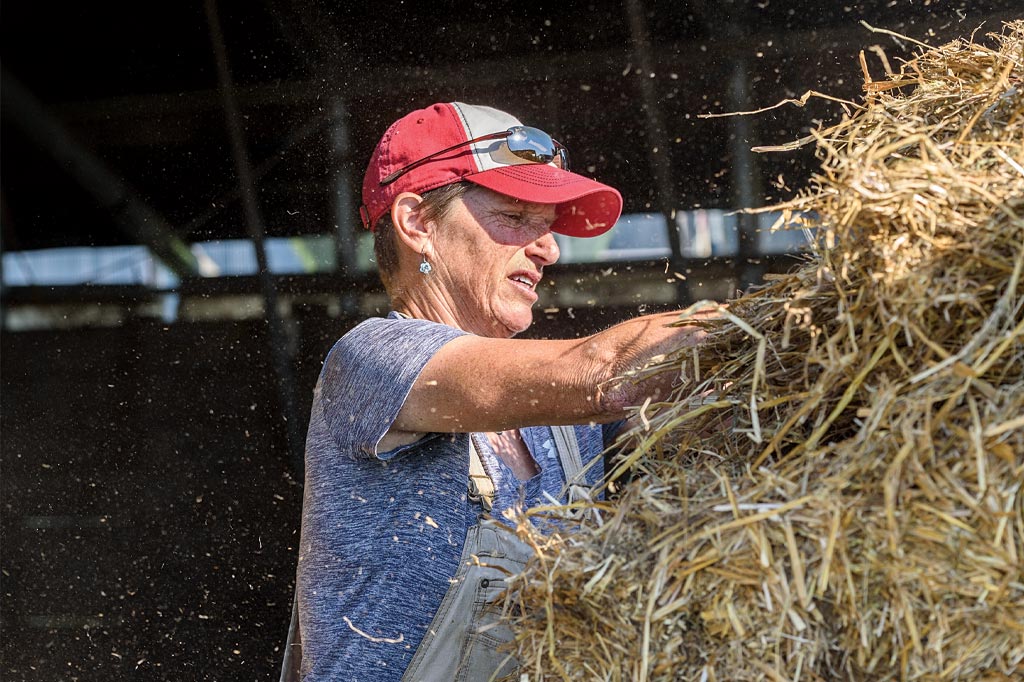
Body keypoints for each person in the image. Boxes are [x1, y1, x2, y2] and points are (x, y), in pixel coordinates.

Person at [283, 102, 710, 681]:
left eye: (549, 224)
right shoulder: (370, 362)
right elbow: (604, 369)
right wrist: (777, 316)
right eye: (515, 215)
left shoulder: (565, 426)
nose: (549, 249)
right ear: (418, 223)